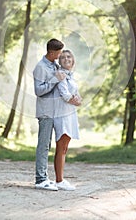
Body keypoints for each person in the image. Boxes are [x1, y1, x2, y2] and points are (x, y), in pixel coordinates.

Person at [33, 38, 66, 191]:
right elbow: (38, 91)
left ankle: (45, 177)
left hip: (55, 111)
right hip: (46, 111)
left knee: (49, 145)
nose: (60, 55)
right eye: (58, 53)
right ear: (51, 52)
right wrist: (54, 80)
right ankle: (40, 179)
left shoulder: (55, 65)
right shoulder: (40, 67)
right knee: (44, 145)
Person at [53, 49, 81, 191]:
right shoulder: (61, 75)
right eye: (63, 57)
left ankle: (60, 179)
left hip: (70, 114)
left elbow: (76, 95)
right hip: (62, 114)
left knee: (65, 147)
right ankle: (59, 180)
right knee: (61, 146)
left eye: (69, 56)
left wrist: (77, 99)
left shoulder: (72, 76)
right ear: (60, 61)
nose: (66, 59)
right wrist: (74, 100)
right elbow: (64, 94)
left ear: (73, 60)